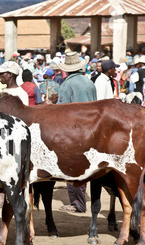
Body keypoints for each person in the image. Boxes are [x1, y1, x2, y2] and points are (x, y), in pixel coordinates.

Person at [56, 51, 96, 213]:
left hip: (73, 130)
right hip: (91, 128)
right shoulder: (89, 83)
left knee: (72, 166)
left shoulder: (66, 85)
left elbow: (62, 110)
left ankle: (77, 203)